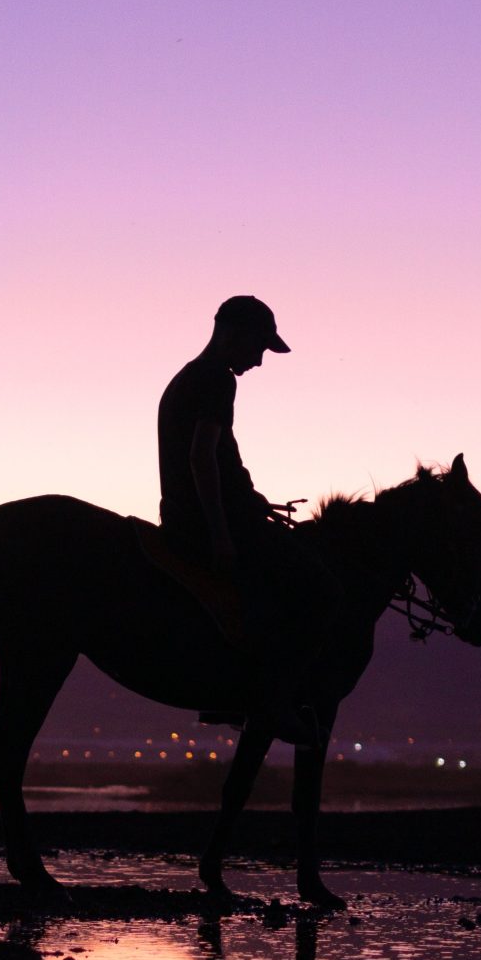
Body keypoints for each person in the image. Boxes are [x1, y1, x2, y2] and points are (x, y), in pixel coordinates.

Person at [156, 295, 331, 743]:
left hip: (196, 514)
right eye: (258, 348)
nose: (258, 361)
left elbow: (216, 462)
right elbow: (201, 460)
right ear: (233, 334)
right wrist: (221, 533)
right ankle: (271, 702)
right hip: (207, 522)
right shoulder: (217, 380)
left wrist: (252, 503)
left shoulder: (189, 378)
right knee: (313, 584)